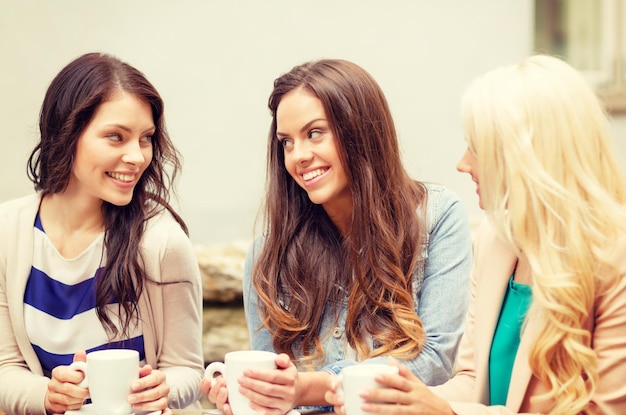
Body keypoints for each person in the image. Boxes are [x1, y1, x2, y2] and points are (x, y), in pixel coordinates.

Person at [326, 54, 626, 414]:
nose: (462, 163)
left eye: (478, 149)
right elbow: (472, 381)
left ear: (526, 158)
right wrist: (398, 401)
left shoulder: (616, 256)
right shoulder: (495, 239)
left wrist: (446, 413)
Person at [202, 59, 473, 414]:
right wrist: (252, 397)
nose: (299, 156)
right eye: (286, 142)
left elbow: (434, 361)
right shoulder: (268, 254)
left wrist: (314, 388)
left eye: (315, 133)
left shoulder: (438, 218)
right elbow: (270, 381)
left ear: (359, 131)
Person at [0, 52, 205, 414]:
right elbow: (6, 368)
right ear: (66, 134)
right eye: (116, 137)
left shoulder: (161, 243)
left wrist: (162, 388)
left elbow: (186, 369)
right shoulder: (8, 232)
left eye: (145, 138)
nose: (138, 156)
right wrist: (47, 395)